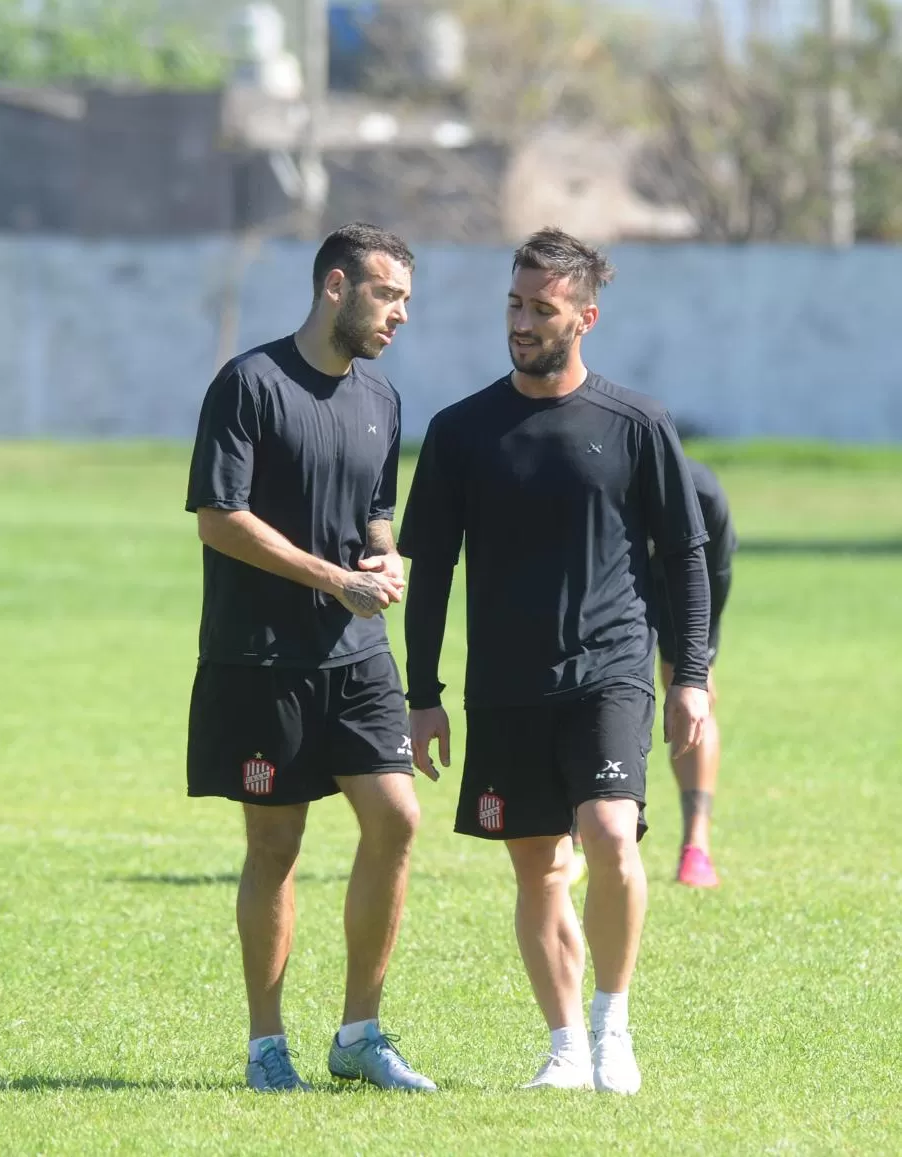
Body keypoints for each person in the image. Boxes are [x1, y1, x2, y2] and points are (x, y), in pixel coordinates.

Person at [398, 226, 711, 1095]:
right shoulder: (461, 430)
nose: (522, 321)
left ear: (585, 317)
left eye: (542, 308)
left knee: (611, 835)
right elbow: (431, 574)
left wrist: (690, 673)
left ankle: (614, 1026)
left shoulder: (637, 422)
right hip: (504, 684)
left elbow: (683, 555)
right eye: (514, 303)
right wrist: (423, 695)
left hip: (610, 667)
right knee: (538, 868)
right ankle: (565, 1045)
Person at [185, 222, 436, 1094]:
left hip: (358, 652)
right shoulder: (248, 384)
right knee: (277, 844)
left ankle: (359, 1033)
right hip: (262, 658)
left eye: (405, 296)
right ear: (336, 286)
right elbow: (221, 517)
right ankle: (267, 1047)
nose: (401, 312)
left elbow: (375, 505)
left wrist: (385, 556)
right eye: (387, 294)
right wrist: (333, 578)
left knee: (398, 819)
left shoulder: (383, 398)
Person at [651, 456, 737, 888]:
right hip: (602, 580)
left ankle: (695, 847)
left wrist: (697, 667)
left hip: (684, 582)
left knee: (689, 692)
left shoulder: (702, 497)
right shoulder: (599, 480)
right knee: (591, 689)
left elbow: (714, 579)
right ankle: (574, 836)